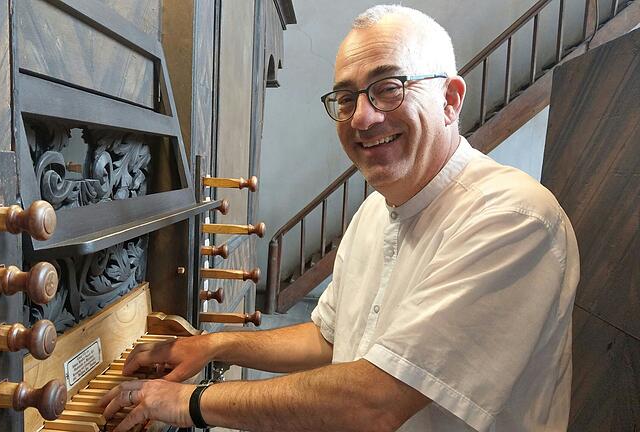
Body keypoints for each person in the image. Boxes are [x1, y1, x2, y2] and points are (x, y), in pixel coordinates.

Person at [99, 5, 579, 431]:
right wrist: (213, 346)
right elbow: (327, 337)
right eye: (346, 99)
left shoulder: (513, 218)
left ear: (450, 100)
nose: (362, 118)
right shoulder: (376, 208)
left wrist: (191, 402)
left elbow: (375, 404)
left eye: (388, 89)